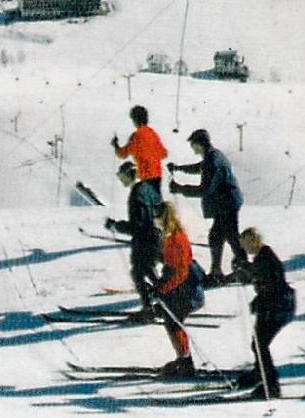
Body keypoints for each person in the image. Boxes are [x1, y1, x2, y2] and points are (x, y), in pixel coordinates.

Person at [167, 127, 245, 284]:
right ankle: (236, 268)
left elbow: (205, 189)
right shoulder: (213, 155)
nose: (192, 148)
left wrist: (180, 188)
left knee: (223, 236)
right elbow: (199, 167)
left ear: (199, 144)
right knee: (225, 236)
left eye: (193, 144)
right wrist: (178, 168)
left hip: (227, 204)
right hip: (227, 202)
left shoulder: (213, 161)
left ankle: (232, 270)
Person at [235, 226, 296, 400]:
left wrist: (244, 268)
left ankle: (271, 385)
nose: (244, 248)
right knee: (258, 342)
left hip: (278, 306)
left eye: (245, 244)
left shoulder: (265, 257)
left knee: (260, 344)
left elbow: (268, 282)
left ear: (254, 241)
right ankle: (259, 373)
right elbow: (258, 275)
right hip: (273, 305)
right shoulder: (263, 256)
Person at [151, 201, 205, 378]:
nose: (155, 220)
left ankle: (186, 363)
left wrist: (163, 288)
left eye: (157, 217)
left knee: (174, 323)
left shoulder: (176, 239)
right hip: (178, 288)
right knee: (172, 323)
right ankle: (183, 359)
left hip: (186, 289)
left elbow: (180, 272)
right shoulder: (170, 236)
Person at [104, 160, 163, 317]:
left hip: (145, 240)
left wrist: (116, 226)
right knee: (148, 270)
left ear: (129, 175)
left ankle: (148, 308)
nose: (120, 179)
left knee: (137, 273)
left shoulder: (137, 193)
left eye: (121, 176)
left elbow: (137, 225)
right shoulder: (147, 188)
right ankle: (166, 299)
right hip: (155, 237)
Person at [111, 105, 168, 184]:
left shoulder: (136, 136)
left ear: (135, 120)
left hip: (145, 178)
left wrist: (115, 145)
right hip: (157, 178)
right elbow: (164, 154)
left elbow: (122, 154)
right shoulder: (153, 134)